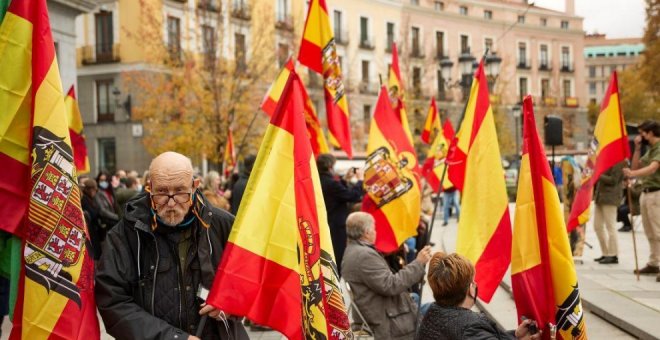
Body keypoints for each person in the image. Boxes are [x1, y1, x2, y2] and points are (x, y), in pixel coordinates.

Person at [95, 151, 248, 339]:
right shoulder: (125, 234)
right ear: (149, 188)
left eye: (180, 191)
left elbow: (250, 281)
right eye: (161, 192)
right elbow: (113, 302)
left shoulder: (223, 225)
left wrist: (231, 304)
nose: (171, 202)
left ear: (195, 186)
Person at [342, 212, 432, 340]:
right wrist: (418, 263)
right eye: (374, 229)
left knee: (415, 297)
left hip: (379, 308)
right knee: (437, 310)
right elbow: (392, 285)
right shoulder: (364, 255)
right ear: (366, 233)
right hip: (384, 319)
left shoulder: (354, 249)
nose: (375, 232)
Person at [418, 252, 541, 340]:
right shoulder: (470, 329)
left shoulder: (432, 314)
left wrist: (515, 336)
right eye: (473, 281)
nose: (475, 284)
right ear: (470, 290)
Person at [624, 120, 660, 281]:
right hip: (646, 193)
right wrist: (637, 148)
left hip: (656, 193)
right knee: (650, 231)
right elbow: (637, 165)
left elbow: (653, 167)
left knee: (658, 231)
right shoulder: (651, 149)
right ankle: (654, 262)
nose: (641, 136)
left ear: (651, 132)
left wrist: (633, 174)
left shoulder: (659, 148)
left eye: (642, 133)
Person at [317, 154, 364, 275]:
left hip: (326, 223)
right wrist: (360, 180)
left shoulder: (319, 180)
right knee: (337, 257)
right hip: (336, 226)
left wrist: (345, 180)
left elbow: (338, 193)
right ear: (330, 167)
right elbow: (352, 195)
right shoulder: (331, 183)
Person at [593, 161, 624, 264]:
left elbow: (614, 180)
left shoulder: (619, 162)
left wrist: (598, 175)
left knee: (610, 226)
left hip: (610, 197)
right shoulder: (605, 159)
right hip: (600, 198)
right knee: (597, 226)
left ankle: (613, 254)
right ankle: (605, 252)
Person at [80, 179, 104, 260]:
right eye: (93, 190)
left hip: (94, 229)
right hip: (90, 230)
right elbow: (93, 213)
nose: (94, 192)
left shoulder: (91, 198)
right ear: (88, 189)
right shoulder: (84, 199)